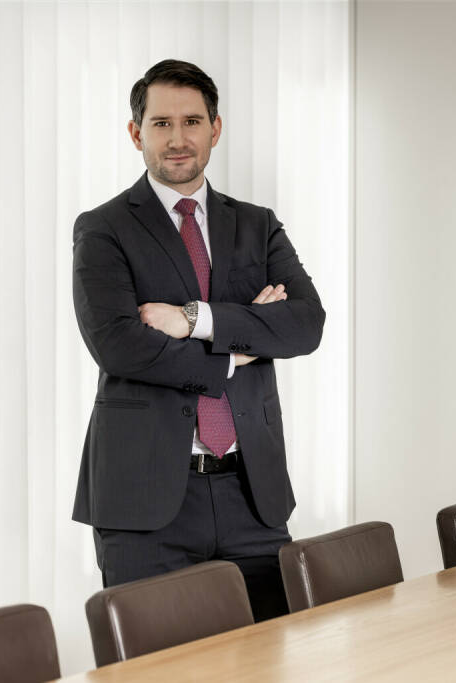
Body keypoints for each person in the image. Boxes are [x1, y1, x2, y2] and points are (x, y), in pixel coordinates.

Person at [71, 59, 325, 621]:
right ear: (136, 133)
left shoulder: (257, 225)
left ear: (216, 128)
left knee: (268, 657)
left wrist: (196, 321)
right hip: (144, 504)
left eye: (192, 121)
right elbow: (119, 346)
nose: (178, 139)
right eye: (161, 123)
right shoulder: (104, 229)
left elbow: (306, 324)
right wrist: (239, 351)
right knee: (155, 661)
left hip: (252, 495)